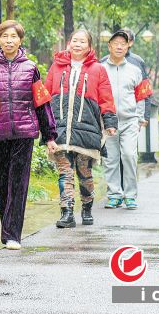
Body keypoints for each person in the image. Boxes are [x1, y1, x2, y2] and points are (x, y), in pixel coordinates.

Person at [0, 20, 57, 250]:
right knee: (2, 183)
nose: (9, 40)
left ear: (20, 40)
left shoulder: (30, 68)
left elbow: (42, 103)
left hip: (24, 133)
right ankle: (6, 227)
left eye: (14, 37)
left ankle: (12, 234)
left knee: (18, 183)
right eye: (5, 36)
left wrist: (50, 136)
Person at [44, 29, 117, 228]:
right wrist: (44, 125)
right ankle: (67, 212)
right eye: (74, 40)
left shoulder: (98, 69)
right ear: (69, 43)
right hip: (59, 130)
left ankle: (87, 206)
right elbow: (46, 96)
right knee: (65, 172)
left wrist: (109, 122)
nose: (77, 44)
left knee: (84, 173)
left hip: (86, 130)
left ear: (89, 46)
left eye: (82, 41)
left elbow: (106, 97)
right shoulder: (57, 67)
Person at [101, 30, 153, 210]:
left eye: (123, 43)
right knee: (110, 159)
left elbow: (142, 95)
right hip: (107, 121)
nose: (119, 46)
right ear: (109, 46)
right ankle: (114, 195)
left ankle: (130, 195)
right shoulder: (100, 68)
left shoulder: (135, 69)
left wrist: (141, 118)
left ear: (128, 46)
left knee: (129, 155)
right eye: (115, 43)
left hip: (130, 120)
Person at [100, 27, 153, 126]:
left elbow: (144, 91)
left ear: (130, 43)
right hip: (107, 119)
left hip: (131, 119)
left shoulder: (138, 62)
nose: (120, 45)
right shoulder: (103, 63)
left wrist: (145, 116)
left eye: (124, 41)